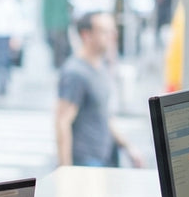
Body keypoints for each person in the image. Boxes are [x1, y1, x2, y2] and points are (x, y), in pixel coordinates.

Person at [55, 11, 144, 168]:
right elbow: (62, 122)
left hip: (106, 157)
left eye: (113, 30)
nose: (113, 36)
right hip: (86, 162)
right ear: (86, 35)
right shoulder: (75, 72)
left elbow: (104, 115)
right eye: (105, 31)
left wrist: (128, 147)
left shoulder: (100, 65)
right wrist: (65, 171)